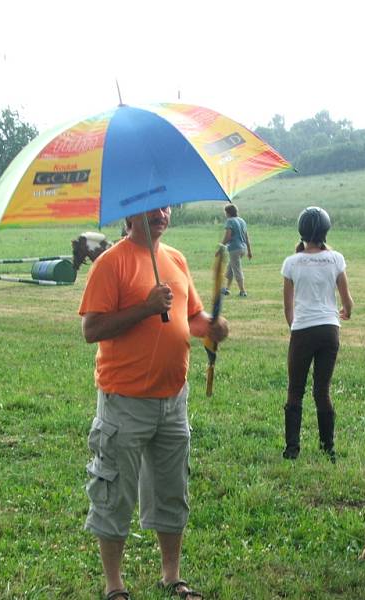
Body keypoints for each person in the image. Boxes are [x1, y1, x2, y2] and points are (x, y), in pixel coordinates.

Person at [79, 205, 229, 600]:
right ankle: (115, 586)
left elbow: (191, 317)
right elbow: (91, 328)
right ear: (130, 216)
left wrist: (211, 326)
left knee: (171, 489)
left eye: (165, 207)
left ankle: (172, 577)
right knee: (114, 493)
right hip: (124, 401)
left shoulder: (174, 258)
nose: (161, 213)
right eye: (151, 209)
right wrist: (145, 307)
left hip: (173, 400)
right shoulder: (112, 263)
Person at [281, 207, 353, 462]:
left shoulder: (291, 263)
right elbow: (348, 302)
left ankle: (292, 449)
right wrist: (344, 311)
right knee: (322, 390)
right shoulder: (336, 259)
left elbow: (288, 308)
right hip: (329, 330)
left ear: (301, 232)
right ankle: (327, 447)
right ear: (326, 231)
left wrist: (295, 326)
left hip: (303, 330)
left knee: (295, 390)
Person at [221, 203, 252, 297]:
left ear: (228, 213)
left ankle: (243, 291)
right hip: (243, 248)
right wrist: (250, 251)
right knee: (230, 268)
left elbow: (228, 236)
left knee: (237, 269)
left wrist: (221, 246)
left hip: (234, 249)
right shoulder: (242, 221)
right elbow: (247, 237)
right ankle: (227, 289)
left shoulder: (230, 221)